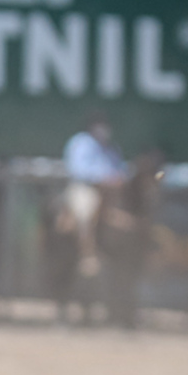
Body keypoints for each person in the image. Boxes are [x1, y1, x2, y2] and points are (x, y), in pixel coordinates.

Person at [63, 113, 128, 277]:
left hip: (112, 192)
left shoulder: (112, 148)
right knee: (86, 212)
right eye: (99, 124)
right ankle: (87, 254)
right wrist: (103, 179)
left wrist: (117, 180)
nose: (103, 129)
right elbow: (78, 170)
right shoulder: (81, 142)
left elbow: (121, 170)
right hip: (85, 188)